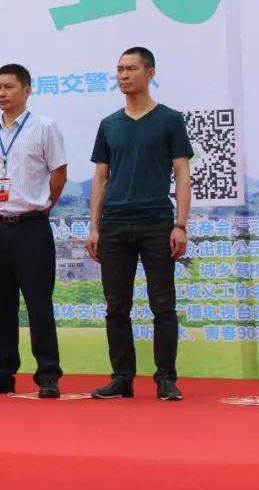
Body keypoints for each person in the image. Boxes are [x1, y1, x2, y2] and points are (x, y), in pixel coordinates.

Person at [86, 47, 192, 401]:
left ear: (150, 73)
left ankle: (166, 378)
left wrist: (181, 225)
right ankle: (121, 378)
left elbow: (182, 173)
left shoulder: (169, 120)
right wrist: (95, 227)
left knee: (163, 304)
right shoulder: (109, 125)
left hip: (156, 223)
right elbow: (101, 177)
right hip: (115, 225)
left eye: (131, 68)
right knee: (116, 306)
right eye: (119, 69)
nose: (123, 75)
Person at [0, 65, 67, 398]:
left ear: (26, 90)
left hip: (31, 227)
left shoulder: (44, 127)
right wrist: (5, 203)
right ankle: (1, 373)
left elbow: (59, 173)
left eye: (9, 87)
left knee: (38, 303)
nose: (2, 93)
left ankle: (48, 375)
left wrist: (41, 204)